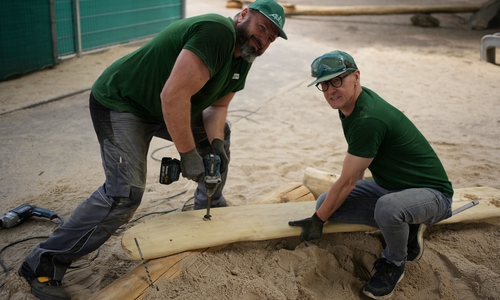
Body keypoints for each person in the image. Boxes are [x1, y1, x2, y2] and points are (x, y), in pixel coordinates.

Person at [18, 0, 287, 299]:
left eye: (271, 37)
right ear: (244, 14)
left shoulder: (244, 60)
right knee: (124, 193)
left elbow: (217, 107)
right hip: (123, 103)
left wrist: (216, 146)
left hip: (162, 109)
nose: (263, 39)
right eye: (262, 27)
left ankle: (207, 204)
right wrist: (188, 156)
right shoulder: (217, 32)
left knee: (219, 135)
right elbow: (173, 96)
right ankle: (42, 263)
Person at [288, 50, 453, 299]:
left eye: (337, 80)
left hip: (434, 195)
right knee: (327, 204)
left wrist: (317, 220)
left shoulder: (369, 117)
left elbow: (348, 181)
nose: (331, 89)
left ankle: (395, 263)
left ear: (356, 76)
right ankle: (408, 224)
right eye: (323, 84)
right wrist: (321, 213)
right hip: (392, 186)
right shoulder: (351, 104)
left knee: (387, 208)